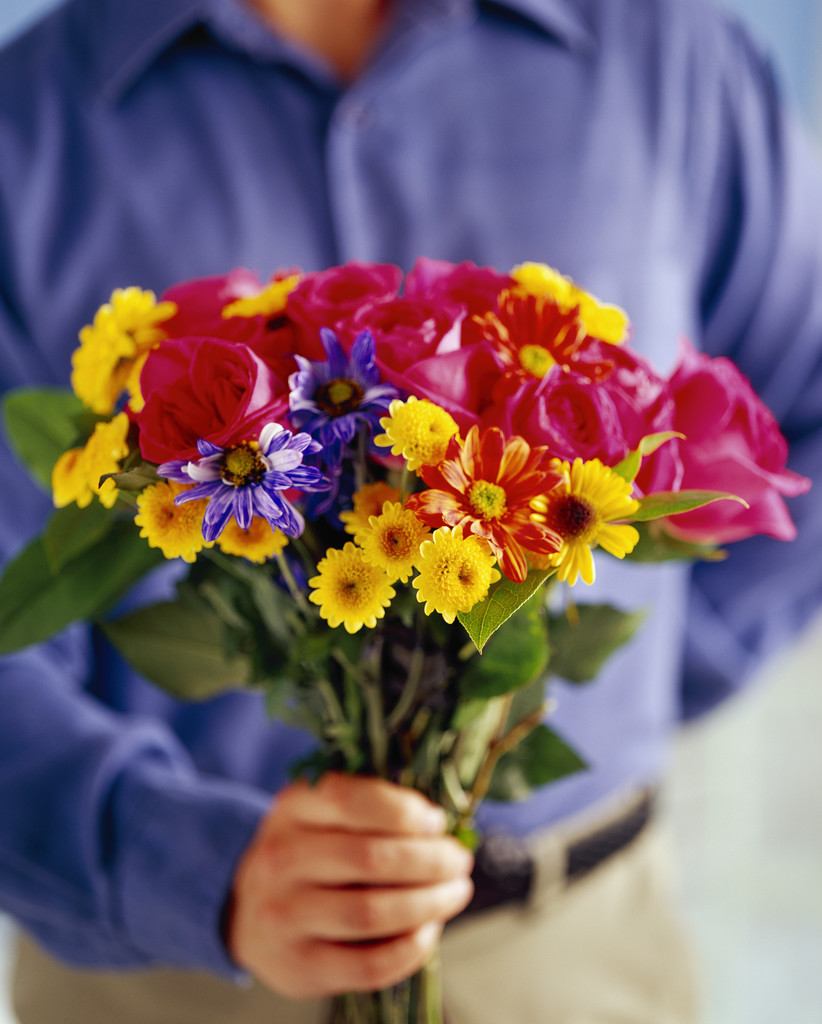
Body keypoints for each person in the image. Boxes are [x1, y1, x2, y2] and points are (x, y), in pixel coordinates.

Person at [1, 0, 820, 1021]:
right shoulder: (26, 122)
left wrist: (615, 664)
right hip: (166, 977)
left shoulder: (665, 52)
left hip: (574, 952)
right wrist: (182, 867)